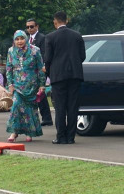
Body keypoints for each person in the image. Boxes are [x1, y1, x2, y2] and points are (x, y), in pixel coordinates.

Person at [45, 11, 86, 145]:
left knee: (60, 107)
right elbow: (82, 56)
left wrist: (49, 73)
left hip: (58, 76)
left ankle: (60, 136)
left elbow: (48, 59)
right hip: (75, 75)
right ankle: (71, 137)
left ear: (55, 22)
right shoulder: (77, 35)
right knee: (73, 107)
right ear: (66, 21)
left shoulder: (50, 37)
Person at [6, 30, 46, 142]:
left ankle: (30, 132)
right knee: (16, 106)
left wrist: (42, 85)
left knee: (30, 110)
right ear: (14, 40)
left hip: (32, 85)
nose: (20, 41)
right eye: (17, 39)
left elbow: (40, 69)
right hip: (17, 85)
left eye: (22, 38)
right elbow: (9, 69)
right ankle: (14, 132)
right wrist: (10, 84)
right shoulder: (11, 51)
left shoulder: (35, 50)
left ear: (26, 39)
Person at [26, 18, 53, 126]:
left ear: (37, 26)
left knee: (40, 93)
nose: (29, 29)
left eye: (31, 26)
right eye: (27, 27)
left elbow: (44, 54)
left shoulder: (42, 38)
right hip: (31, 71)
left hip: (40, 69)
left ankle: (46, 118)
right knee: (37, 94)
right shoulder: (27, 39)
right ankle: (42, 117)